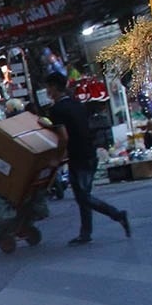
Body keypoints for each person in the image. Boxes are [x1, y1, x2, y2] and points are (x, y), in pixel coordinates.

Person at [42, 72, 131, 245]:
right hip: (90, 153)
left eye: (48, 87)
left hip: (78, 156)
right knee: (84, 194)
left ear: (53, 87)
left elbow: (63, 136)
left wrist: (57, 158)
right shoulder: (77, 104)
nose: (47, 90)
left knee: (82, 197)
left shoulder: (57, 109)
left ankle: (117, 215)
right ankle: (85, 232)